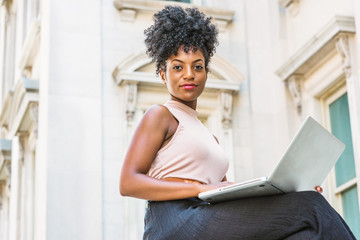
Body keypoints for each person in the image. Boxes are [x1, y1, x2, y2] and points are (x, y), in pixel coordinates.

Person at [119, 5, 356, 240]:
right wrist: (198, 188)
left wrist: (288, 191)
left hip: (205, 214)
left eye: (197, 66)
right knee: (311, 207)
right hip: (174, 220)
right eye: (178, 67)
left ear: (206, 72)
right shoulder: (160, 114)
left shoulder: (209, 137)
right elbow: (128, 182)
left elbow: (224, 191)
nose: (189, 74)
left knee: (303, 232)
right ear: (163, 74)